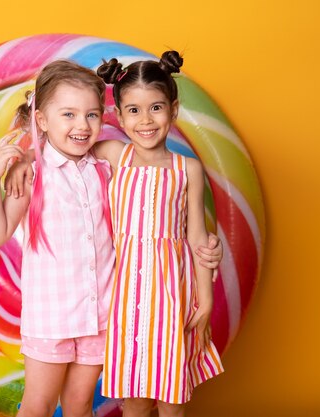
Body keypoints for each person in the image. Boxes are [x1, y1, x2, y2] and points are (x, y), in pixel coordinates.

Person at [0, 59, 115, 417]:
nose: (82, 126)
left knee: (79, 404)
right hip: (51, 317)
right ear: (42, 120)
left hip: (99, 314)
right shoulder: (32, 175)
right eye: (68, 114)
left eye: (91, 115)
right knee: (38, 405)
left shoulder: (106, 169)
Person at [94, 52, 224, 417]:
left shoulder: (189, 170)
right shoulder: (112, 155)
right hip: (126, 300)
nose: (145, 120)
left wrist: (207, 301)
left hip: (172, 298)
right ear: (118, 116)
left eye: (156, 108)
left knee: (172, 397)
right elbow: (65, 145)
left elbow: (198, 237)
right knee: (134, 402)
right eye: (133, 110)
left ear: (174, 110)